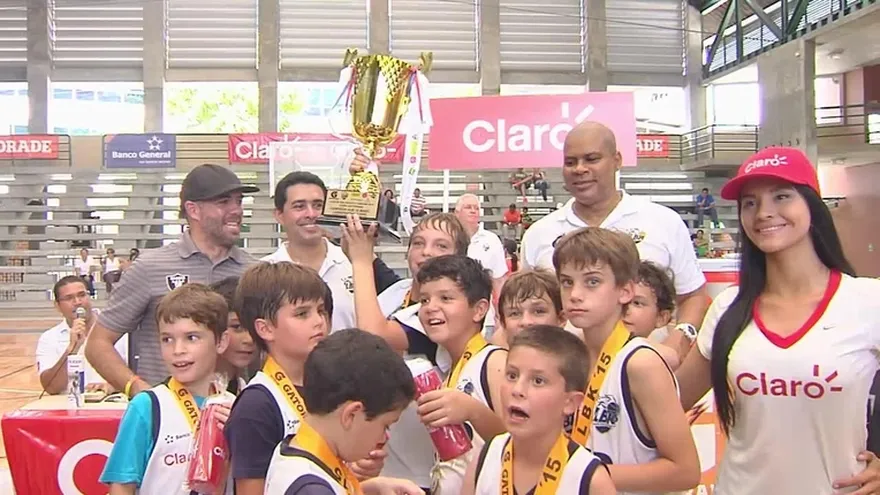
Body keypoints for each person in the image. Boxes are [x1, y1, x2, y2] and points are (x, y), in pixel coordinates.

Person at [675, 147, 880, 494]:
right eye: (750, 203)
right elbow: (668, 400)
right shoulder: (727, 309)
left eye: (781, 196)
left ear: (811, 207)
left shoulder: (868, 301)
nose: (764, 213)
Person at [521, 121, 709, 365]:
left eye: (591, 159)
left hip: (646, 377)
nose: (579, 169)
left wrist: (679, 340)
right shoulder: (539, 234)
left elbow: (693, 295)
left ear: (617, 160)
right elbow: (525, 306)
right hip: (563, 380)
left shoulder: (663, 222)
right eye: (570, 162)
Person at [85, 164, 259, 394]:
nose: (236, 210)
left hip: (235, 416)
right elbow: (98, 344)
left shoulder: (255, 272)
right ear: (193, 210)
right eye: (224, 202)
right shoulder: (149, 268)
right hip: (167, 419)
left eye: (239, 201)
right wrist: (141, 392)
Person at [554, 227, 700, 494]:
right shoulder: (567, 356)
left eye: (592, 282)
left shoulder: (641, 363)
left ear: (625, 291)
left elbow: (686, 471)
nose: (575, 294)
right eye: (566, 282)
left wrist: (584, 474)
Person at [343, 212, 472, 490]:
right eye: (418, 243)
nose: (426, 251)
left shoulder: (441, 313)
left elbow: (373, 334)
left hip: (426, 470)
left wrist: (361, 260)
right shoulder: (396, 292)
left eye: (441, 245)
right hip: (384, 462)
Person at [99, 283, 231, 494]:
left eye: (192, 337)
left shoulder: (231, 405)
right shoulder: (147, 406)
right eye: (167, 339)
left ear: (221, 342)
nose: (177, 350)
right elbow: (122, 487)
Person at [264, 329, 423, 495]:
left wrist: (369, 489)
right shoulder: (312, 489)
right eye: (386, 425)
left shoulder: (296, 449)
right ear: (351, 415)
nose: (384, 438)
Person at [463, 325, 616, 494]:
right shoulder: (484, 459)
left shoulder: (589, 479)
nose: (517, 390)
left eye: (538, 381)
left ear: (570, 402)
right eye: (512, 375)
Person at [415, 255, 507, 494]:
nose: (430, 307)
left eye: (445, 298)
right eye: (424, 300)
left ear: (479, 310)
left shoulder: (495, 362)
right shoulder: (446, 375)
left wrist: (473, 412)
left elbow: (520, 444)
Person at [262, 171, 357, 331]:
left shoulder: (353, 262)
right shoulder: (264, 273)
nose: (311, 214)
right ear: (279, 215)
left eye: (318, 205)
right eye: (299, 206)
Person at [36, 276, 128, 395]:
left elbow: (139, 372)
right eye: (69, 298)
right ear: (57, 306)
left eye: (82, 295)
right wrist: (72, 350)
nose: (78, 302)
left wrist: (115, 386)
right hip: (69, 406)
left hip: (113, 403)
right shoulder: (49, 338)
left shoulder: (118, 328)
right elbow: (51, 388)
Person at [622, 261, 682, 369]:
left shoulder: (659, 359)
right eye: (621, 301)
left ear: (661, 318)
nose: (626, 309)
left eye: (637, 303)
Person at [491, 269, 565, 348]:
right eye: (515, 313)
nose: (526, 322)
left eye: (539, 311)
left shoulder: (577, 359)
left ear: (561, 319)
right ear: (503, 323)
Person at [455, 193, 509, 302]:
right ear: (457, 212)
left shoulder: (492, 239)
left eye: (476, 208)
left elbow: (498, 280)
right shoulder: (447, 237)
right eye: (468, 207)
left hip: (483, 307)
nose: (473, 211)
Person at [209, 276, 257, 395]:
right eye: (237, 327)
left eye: (254, 328)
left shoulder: (247, 388)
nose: (249, 339)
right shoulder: (178, 395)